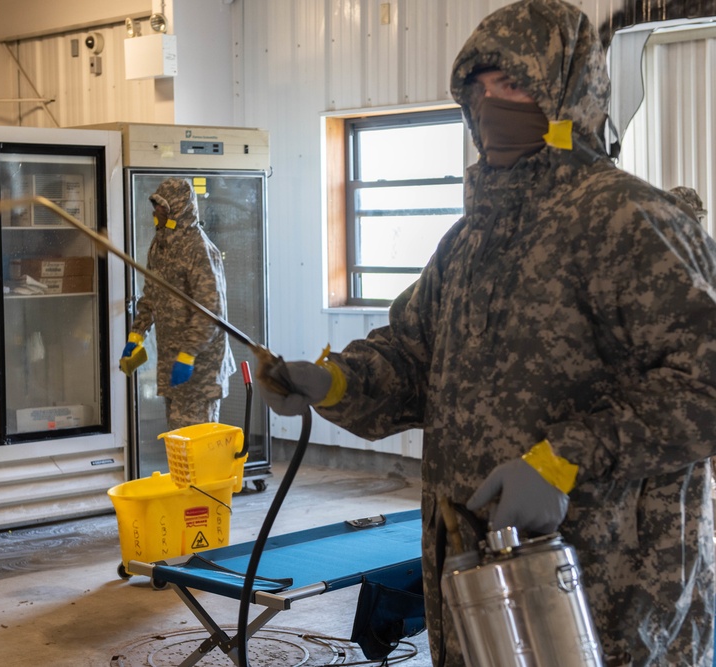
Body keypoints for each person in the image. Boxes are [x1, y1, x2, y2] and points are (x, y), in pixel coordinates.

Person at [257, 1, 716, 665]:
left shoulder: (629, 220)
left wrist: (562, 460)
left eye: (519, 84)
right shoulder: (468, 241)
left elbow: (703, 381)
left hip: (610, 588)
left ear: (568, 94)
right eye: (483, 84)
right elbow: (412, 358)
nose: (494, 100)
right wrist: (334, 381)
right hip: (477, 574)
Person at [120, 177, 235, 429]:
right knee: (177, 443)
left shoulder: (199, 249)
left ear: (178, 207)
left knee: (196, 447)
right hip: (172, 366)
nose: (156, 212)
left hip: (200, 371)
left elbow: (211, 311)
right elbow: (151, 295)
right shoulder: (160, 246)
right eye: (156, 206)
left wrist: (188, 354)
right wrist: (137, 334)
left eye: (162, 206)